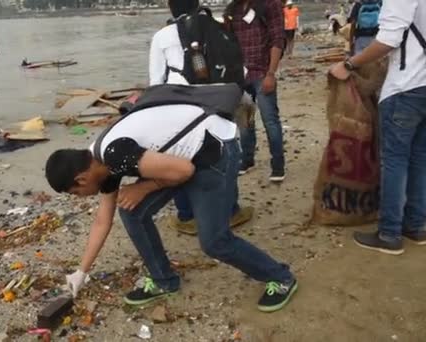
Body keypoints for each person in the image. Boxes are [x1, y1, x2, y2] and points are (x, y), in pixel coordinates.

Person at [45, 90, 298, 312]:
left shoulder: (114, 154)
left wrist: (143, 188)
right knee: (131, 212)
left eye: (75, 194)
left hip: (214, 151)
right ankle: (163, 280)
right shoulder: (100, 164)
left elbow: (185, 172)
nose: (80, 197)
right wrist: (82, 271)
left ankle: (281, 277)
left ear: (80, 179)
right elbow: (102, 220)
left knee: (214, 242)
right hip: (183, 158)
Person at [149, 0, 255, 235]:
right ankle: (231, 212)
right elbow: (241, 70)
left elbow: (156, 82)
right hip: (219, 104)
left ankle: (187, 216)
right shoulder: (218, 27)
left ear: (171, 8)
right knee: (224, 157)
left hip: (181, 107)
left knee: (180, 158)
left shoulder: (163, 36)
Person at [330, 0, 426, 254]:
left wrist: (349, 64)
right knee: (419, 159)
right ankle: (415, 226)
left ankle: (390, 233)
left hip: (405, 87)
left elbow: (388, 40)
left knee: (394, 160)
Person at [224, 0, 286, 181]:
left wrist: (271, 74)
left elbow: (277, 40)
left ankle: (278, 166)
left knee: (270, 121)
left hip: (262, 73)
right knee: (244, 122)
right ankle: (247, 159)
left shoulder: (270, 4)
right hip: (240, 77)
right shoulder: (233, 9)